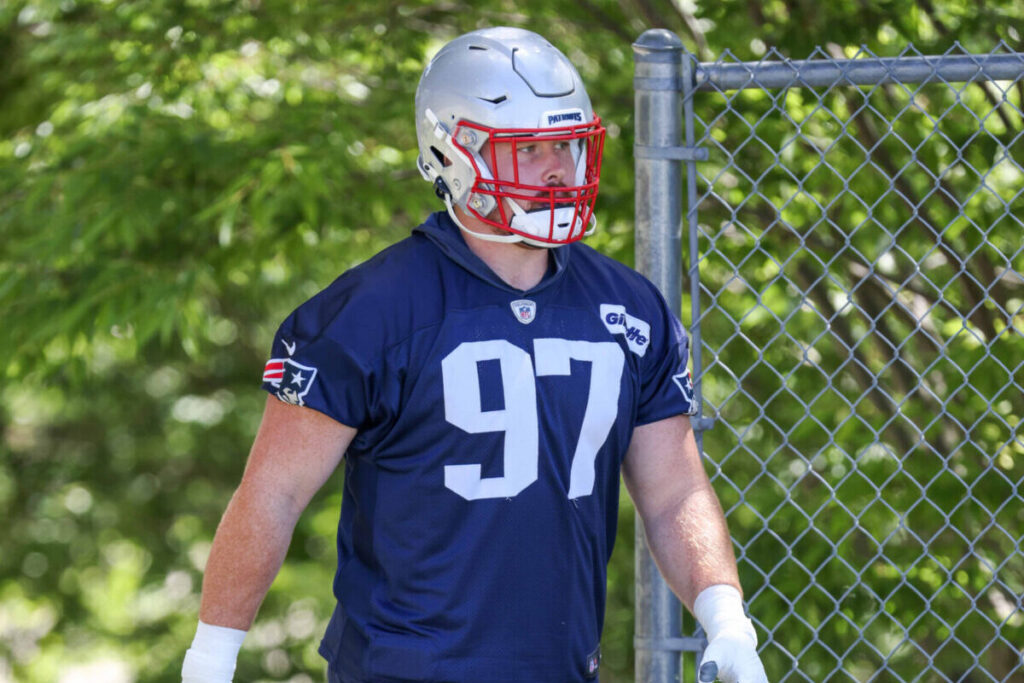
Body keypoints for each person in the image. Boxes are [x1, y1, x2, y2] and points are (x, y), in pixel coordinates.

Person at [181, 26, 768, 683]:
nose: (557, 168)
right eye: (531, 148)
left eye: (567, 146)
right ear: (452, 153)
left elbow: (672, 489)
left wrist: (726, 617)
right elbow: (273, 493)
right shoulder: (372, 310)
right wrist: (210, 659)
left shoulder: (628, 308)